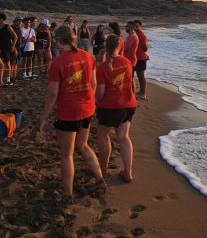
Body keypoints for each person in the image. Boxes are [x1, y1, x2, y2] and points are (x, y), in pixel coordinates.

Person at [39, 25, 105, 201]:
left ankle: (67, 194)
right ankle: (99, 179)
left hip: (69, 112)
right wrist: (87, 101)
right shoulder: (88, 56)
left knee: (67, 154)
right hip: (87, 109)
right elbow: (93, 83)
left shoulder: (58, 63)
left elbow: (53, 94)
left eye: (55, 40)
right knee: (83, 145)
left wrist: (44, 117)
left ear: (60, 41)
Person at [94, 35, 138, 183]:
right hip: (127, 104)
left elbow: (100, 93)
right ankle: (128, 172)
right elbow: (132, 84)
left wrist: (96, 103)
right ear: (120, 46)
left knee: (103, 135)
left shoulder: (103, 67)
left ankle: (104, 167)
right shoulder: (127, 62)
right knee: (124, 137)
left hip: (109, 106)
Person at [133, 20, 150, 99]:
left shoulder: (142, 35)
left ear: (140, 26)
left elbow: (145, 48)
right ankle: (141, 91)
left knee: (141, 76)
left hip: (141, 58)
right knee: (139, 75)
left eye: (137, 26)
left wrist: (144, 54)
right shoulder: (136, 34)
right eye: (134, 26)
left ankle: (143, 93)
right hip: (137, 57)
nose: (135, 28)